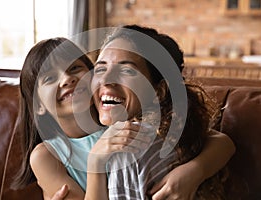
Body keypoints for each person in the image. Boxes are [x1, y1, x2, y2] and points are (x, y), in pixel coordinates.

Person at [12, 34, 234, 200]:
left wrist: (193, 171)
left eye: (75, 68)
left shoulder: (116, 118)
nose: (67, 79)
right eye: (50, 78)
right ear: (39, 105)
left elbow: (222, 142)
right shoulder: (47, 156)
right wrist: (96, 161)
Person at [84, 24, 235, 200]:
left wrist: (94, 163)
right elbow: (222, 141)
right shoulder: (176, 130)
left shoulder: (128, 149)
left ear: (159, 90)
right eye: (100, 68)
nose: (106, 80)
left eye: (127, 70)